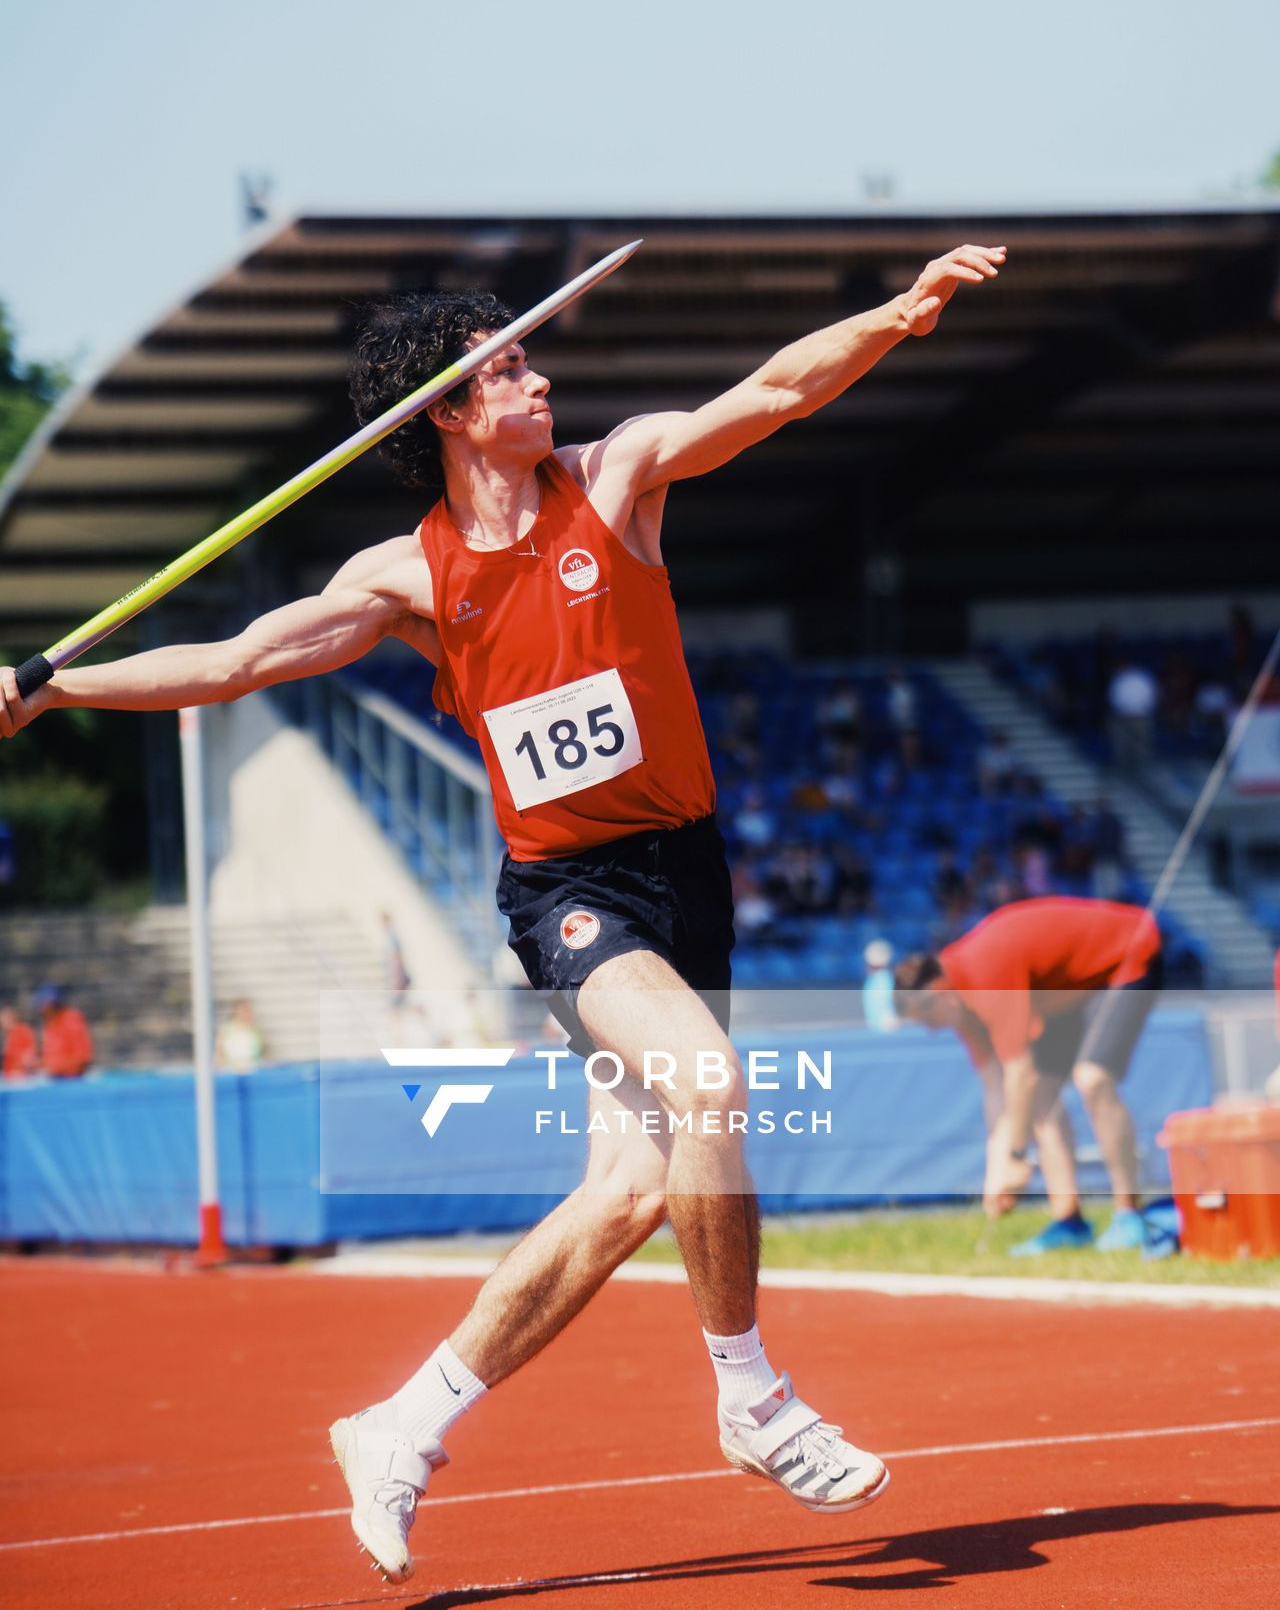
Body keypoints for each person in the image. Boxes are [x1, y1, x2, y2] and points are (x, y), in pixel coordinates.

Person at [0, 241, 1005, 1584]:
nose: (543, 383)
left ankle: (399, 1428)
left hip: (686, 877)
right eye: (512, 370)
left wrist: (902, 311)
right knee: (709, 1092)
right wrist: (56, 690)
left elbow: (773, 393)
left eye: (532, 358)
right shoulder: (406, 578)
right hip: (571, 893)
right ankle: (752, 1396)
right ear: (450, 417)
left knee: (630, 1192)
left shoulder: (618, 476)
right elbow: (235, 661)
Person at [893, 895, 1162, 1255]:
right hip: (1065, 990)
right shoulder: (960, 1007)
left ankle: (1129, 1214)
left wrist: (1017, 1158)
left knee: (1091, 1078)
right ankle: (1069, 1222)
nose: (929, 1030)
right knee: (1042, 1103)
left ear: (942, 997)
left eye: (926, 1019)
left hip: (1126, 956)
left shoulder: (985, 975)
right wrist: (996, 1172)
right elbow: (995, 1088)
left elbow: (1021, 1075)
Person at [33, 983, 95, 1078]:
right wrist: (40, 1064)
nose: (40, 1009)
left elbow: (82, 1059)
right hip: (55, 1080)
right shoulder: (50, 1024)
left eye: (42, 1004)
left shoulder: (71, 1019)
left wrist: (52, 1067)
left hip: (71, 1082)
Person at [215, 996, 267, 1072]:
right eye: (244, 1011)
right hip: (231, 1071)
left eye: (248, 1010)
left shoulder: (256, 1031)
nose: (247, 1014)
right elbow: (219, 1053)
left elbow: (264, 1053)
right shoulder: (226, 1030)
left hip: (252, 1070)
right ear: (236, 1012)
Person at [1, 1002, 38, 1078]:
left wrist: (21, 1069)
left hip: (21, 1078)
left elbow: (29, 1057)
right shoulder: (8, 1035)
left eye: (4, 1018)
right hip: (10, 1077)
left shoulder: (22, 1031)